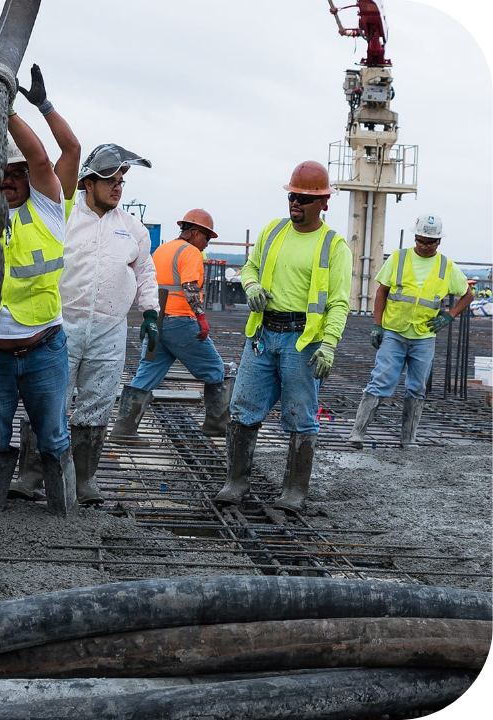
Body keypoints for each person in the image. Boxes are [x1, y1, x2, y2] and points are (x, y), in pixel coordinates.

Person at [0, 63, 82, 514]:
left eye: (17, 172)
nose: (8, 179)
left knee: (53, 436)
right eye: (1, 172)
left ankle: (65, 517)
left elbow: (49, 159)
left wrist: (6, 107)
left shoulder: (49, 210)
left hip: (44, 349)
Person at [22, 143, 157, 506]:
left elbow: (145, 272)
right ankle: (31, 476)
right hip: (60, 325)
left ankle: (85, 480)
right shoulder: (63, 219)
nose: (117, 187)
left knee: (97, 403)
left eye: (121, 182)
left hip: (110, 330)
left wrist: (150, 312)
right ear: (88, 183)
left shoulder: (132, 230)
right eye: (110, 181)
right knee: (48, 400)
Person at [214, 161, 351, 514]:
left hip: (301, 342)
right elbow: (250, 267)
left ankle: (294, 490)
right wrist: (252, 285)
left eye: (305, 198)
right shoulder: (273, 231)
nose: (296, 203)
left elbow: (338, 303)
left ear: (323, 203)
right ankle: (235, 482)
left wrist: (330, 344)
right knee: (242, 409)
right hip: (262, 335)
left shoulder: (333, 246)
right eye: (293, 196)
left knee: (301, 416)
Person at [348, 214, 473, 449]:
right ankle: (357, 434)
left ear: (439, 242)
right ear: (415, 238)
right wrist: (377, 325)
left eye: (429, 242)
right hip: (394, 332)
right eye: (420, 241)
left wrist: (449, 315)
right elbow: (382, 291)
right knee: (381, 381)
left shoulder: (446, 266)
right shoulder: (398, 258)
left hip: (424, 336)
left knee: (417, 387)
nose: (424, 246)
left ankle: (408, 439)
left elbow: (468, 294)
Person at [110, 209, 228, 439]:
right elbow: (190, 286)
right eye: (206, 237)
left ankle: (123, 429)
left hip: (159, 324)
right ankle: (216, 425)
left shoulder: (162, 250)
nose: (207, 244)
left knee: (147, 373)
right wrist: (202, 319)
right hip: (181, 322)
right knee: (215, 369)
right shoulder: (191, 252)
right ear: (195, 233)